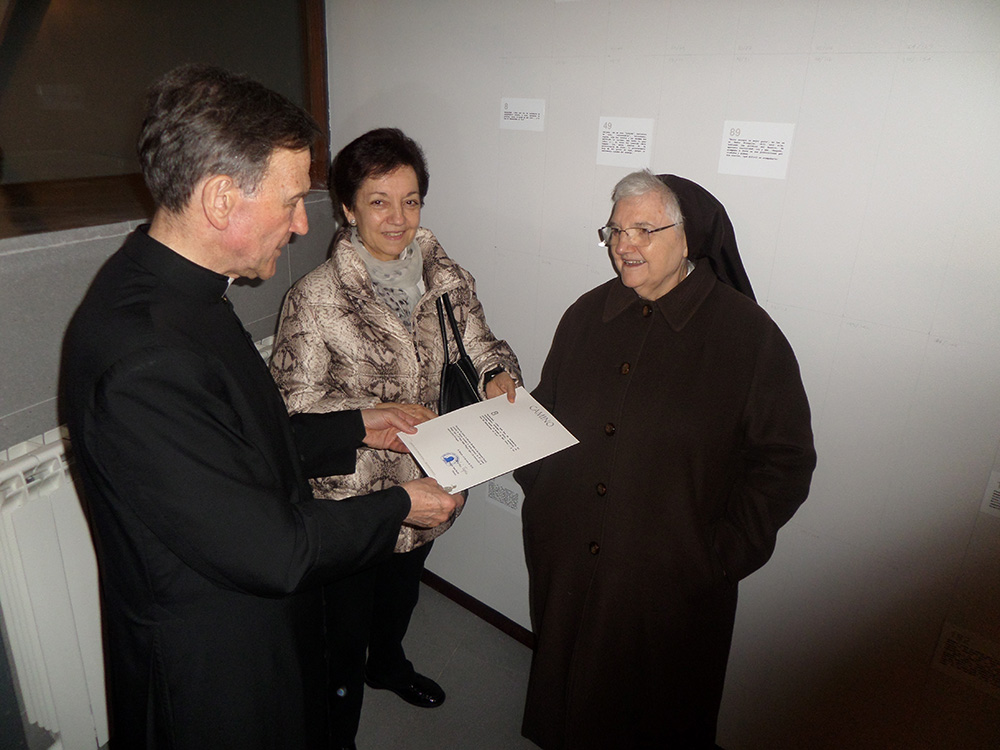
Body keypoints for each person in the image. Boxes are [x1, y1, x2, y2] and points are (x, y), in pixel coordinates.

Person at [60, 65, 461, 750]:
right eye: (290, 200)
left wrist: (360, 425)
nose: (302, 225)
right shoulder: (145, 359)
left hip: (253, 619)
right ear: (221, 198)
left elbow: (242, 445)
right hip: (215, 665)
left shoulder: (185, 290)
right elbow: (270, 550)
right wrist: (401, 504)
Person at [514, 170, 816, 749]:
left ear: (689, 237)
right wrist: (542, 493)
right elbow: (547, 413)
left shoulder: (748, 336)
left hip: (672, 580)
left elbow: (785, 460)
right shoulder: (585, 315)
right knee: (569, 695)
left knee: (655, 710)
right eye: (615, 230)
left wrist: (720, 556)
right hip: (571, 561)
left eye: (644, 230)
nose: (624, 245)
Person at [270, 127, 521, 749]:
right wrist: (372, 415)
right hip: (353, 499)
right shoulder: (316, 299)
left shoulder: (447, 279)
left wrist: (498, 374)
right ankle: (338, 731)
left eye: (411, 201)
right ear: (348, 209)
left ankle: (387, 664)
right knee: (342, 631)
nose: (398, 218)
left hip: (433, 479)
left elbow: (480, 345)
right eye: (378, 201)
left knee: (401, 594)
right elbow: (291, 412)